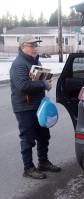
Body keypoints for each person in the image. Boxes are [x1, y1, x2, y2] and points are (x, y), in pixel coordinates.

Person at [10, 35, 61, 179]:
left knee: (44, 136)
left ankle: (43, 162)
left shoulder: (35, 61)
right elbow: (23, 86)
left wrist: (46, 81)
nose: (34, 48)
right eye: (31, 46)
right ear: (22, 47)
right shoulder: (19, 64)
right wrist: (43, 84)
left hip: (39, 104)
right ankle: (28, 168)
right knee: (28, 138)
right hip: (24, 108)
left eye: (36, 45)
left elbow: (37, 80)